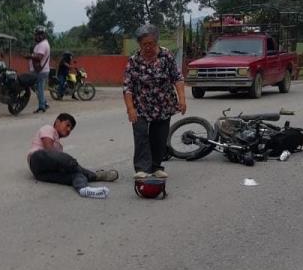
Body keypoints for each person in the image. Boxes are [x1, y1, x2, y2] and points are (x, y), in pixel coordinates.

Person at [123, 23, 187, 180]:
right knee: (141, 134)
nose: (148, 47)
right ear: (139, 44)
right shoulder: (134, 61)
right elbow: (127, 87)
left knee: (159, 136)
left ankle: (156, 166)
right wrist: (130, 108)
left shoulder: (166, 56)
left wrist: (182, 99)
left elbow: (177, 78)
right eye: (144, 44)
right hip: (141, 104)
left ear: (156, 42)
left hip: (163, 103)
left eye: (151, 43)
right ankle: (141, 168)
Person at [27, 113, 119, 198]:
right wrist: (70, 164)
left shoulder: (59, 147)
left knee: (76, 174)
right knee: (69, 162)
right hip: (37, 160)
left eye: (70, 128)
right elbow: (49, 151)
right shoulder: (48, 128)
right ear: (58, 122)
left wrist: (70, 169)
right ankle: (95, 175)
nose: (68, 130)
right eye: (67, 125)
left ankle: (84, 189)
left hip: (42, 174)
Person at [26, 25, 51, 113]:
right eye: (36, 34)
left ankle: (42, 107)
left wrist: (29, 56)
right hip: (39, 70)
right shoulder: (40, 44)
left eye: (38, 34)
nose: (36, 36)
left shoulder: (43, 45)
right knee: (36, 87)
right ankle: (44, 103)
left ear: (43, 35)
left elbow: (39, 57)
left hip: (40, 71)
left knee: (39, 88)